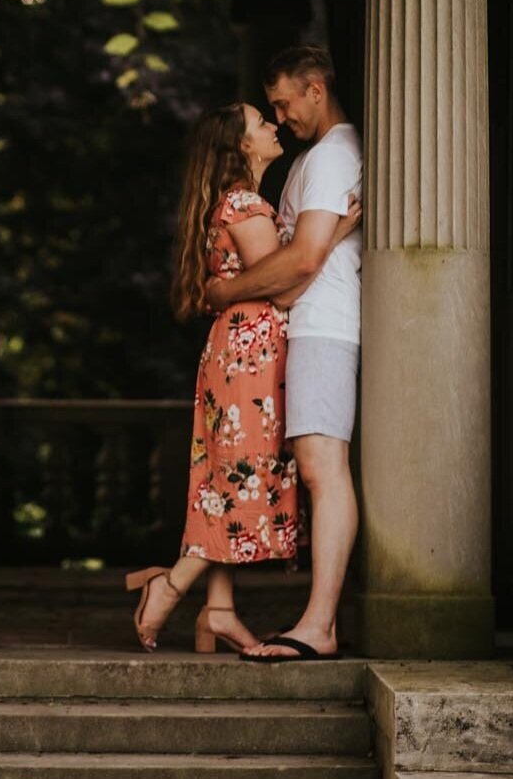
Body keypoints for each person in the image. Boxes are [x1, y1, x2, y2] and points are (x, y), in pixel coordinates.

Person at [125, 100, 361, 654]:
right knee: (242, 482)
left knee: (223, 477)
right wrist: (344, 226)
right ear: (242, 146)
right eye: (260, 122)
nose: (273, 125)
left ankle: (221, 610)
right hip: (252, 358)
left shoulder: (233, 204)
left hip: (234, 353)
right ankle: (172, 584)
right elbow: (285, 285)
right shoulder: (248, 206)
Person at [208, 45, 362, 662]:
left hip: (323, 327)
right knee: (321, 474)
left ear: (316, 89)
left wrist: (224, 293)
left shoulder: (328, 158)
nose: (279, 116)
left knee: (326, 474)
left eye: (283, 102)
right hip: (312, 328)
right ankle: (315, 621)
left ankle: (319, 625)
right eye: (268, 108)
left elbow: (302, 260)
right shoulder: (317, 159)